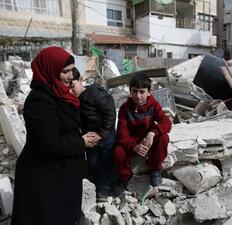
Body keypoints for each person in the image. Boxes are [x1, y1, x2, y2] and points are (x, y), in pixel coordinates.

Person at [11, 46, 99, 225]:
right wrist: (81, 142)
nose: (70, 76)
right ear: (50, 70)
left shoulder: (61, 93)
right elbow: (50, 143)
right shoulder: (39, 100)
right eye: (65, 71)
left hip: (62, 174)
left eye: (72, 70)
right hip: (45, 177)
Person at [113, 72, 172, 197]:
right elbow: (122, 135)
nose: (138, 96)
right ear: (130, 91)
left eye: (142, 92)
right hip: (132, 141)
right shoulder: (124, 108)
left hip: (147, 140)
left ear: (149, 92)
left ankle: (154, 168)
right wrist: (134, 146)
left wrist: (152, 133)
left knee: (164, 138)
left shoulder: (153, 105)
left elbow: (166, 122)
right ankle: (125, 177)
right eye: (134, 91)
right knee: (118, 151)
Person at [71, 67, 116, 200]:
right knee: (92, 162)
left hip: (106, 136)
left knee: (105, 163)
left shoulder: (95, 93)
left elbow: (110, 112)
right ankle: (93, 186)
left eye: (72, 86)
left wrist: (102, 134)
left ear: (80, 80)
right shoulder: (73, 99)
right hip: (90, 138)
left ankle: (103, 189)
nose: (70, 90)